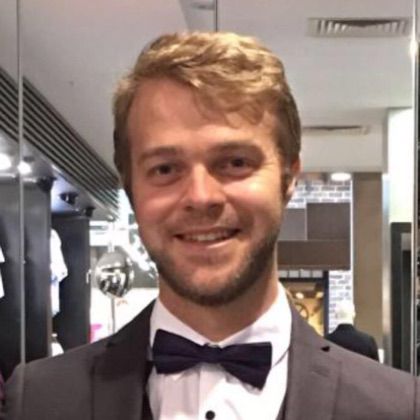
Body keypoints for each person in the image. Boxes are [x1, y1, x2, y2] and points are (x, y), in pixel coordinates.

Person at [2, 31, 420, 420]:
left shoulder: (397, 408)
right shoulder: (39, 400)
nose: (201, 197)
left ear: (289, 177)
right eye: (165, 168)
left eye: (235, 162)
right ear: (131, 188)